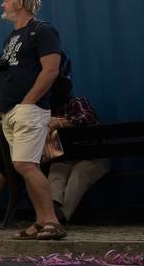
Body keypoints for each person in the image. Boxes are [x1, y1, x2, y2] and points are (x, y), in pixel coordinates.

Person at [0, 0, 66, 240]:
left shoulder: (42, 31)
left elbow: (51, 70)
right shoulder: (12, 36)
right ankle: (40, 220)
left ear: (20, 2)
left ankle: (52, 222)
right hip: (9, 112)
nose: (2, 5)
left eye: (6, 0)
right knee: (25, 166)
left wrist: (27, 102)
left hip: (29, 110)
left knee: (25, 164)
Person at [44, 94, 103, 223]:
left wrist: (60, 122)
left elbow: (86, 118)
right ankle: (52, 210)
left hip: (95, 157)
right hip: (66, 159)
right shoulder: (46, 113)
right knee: (56, 170)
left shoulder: (76, 102)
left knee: (79, 172)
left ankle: (61, 216)